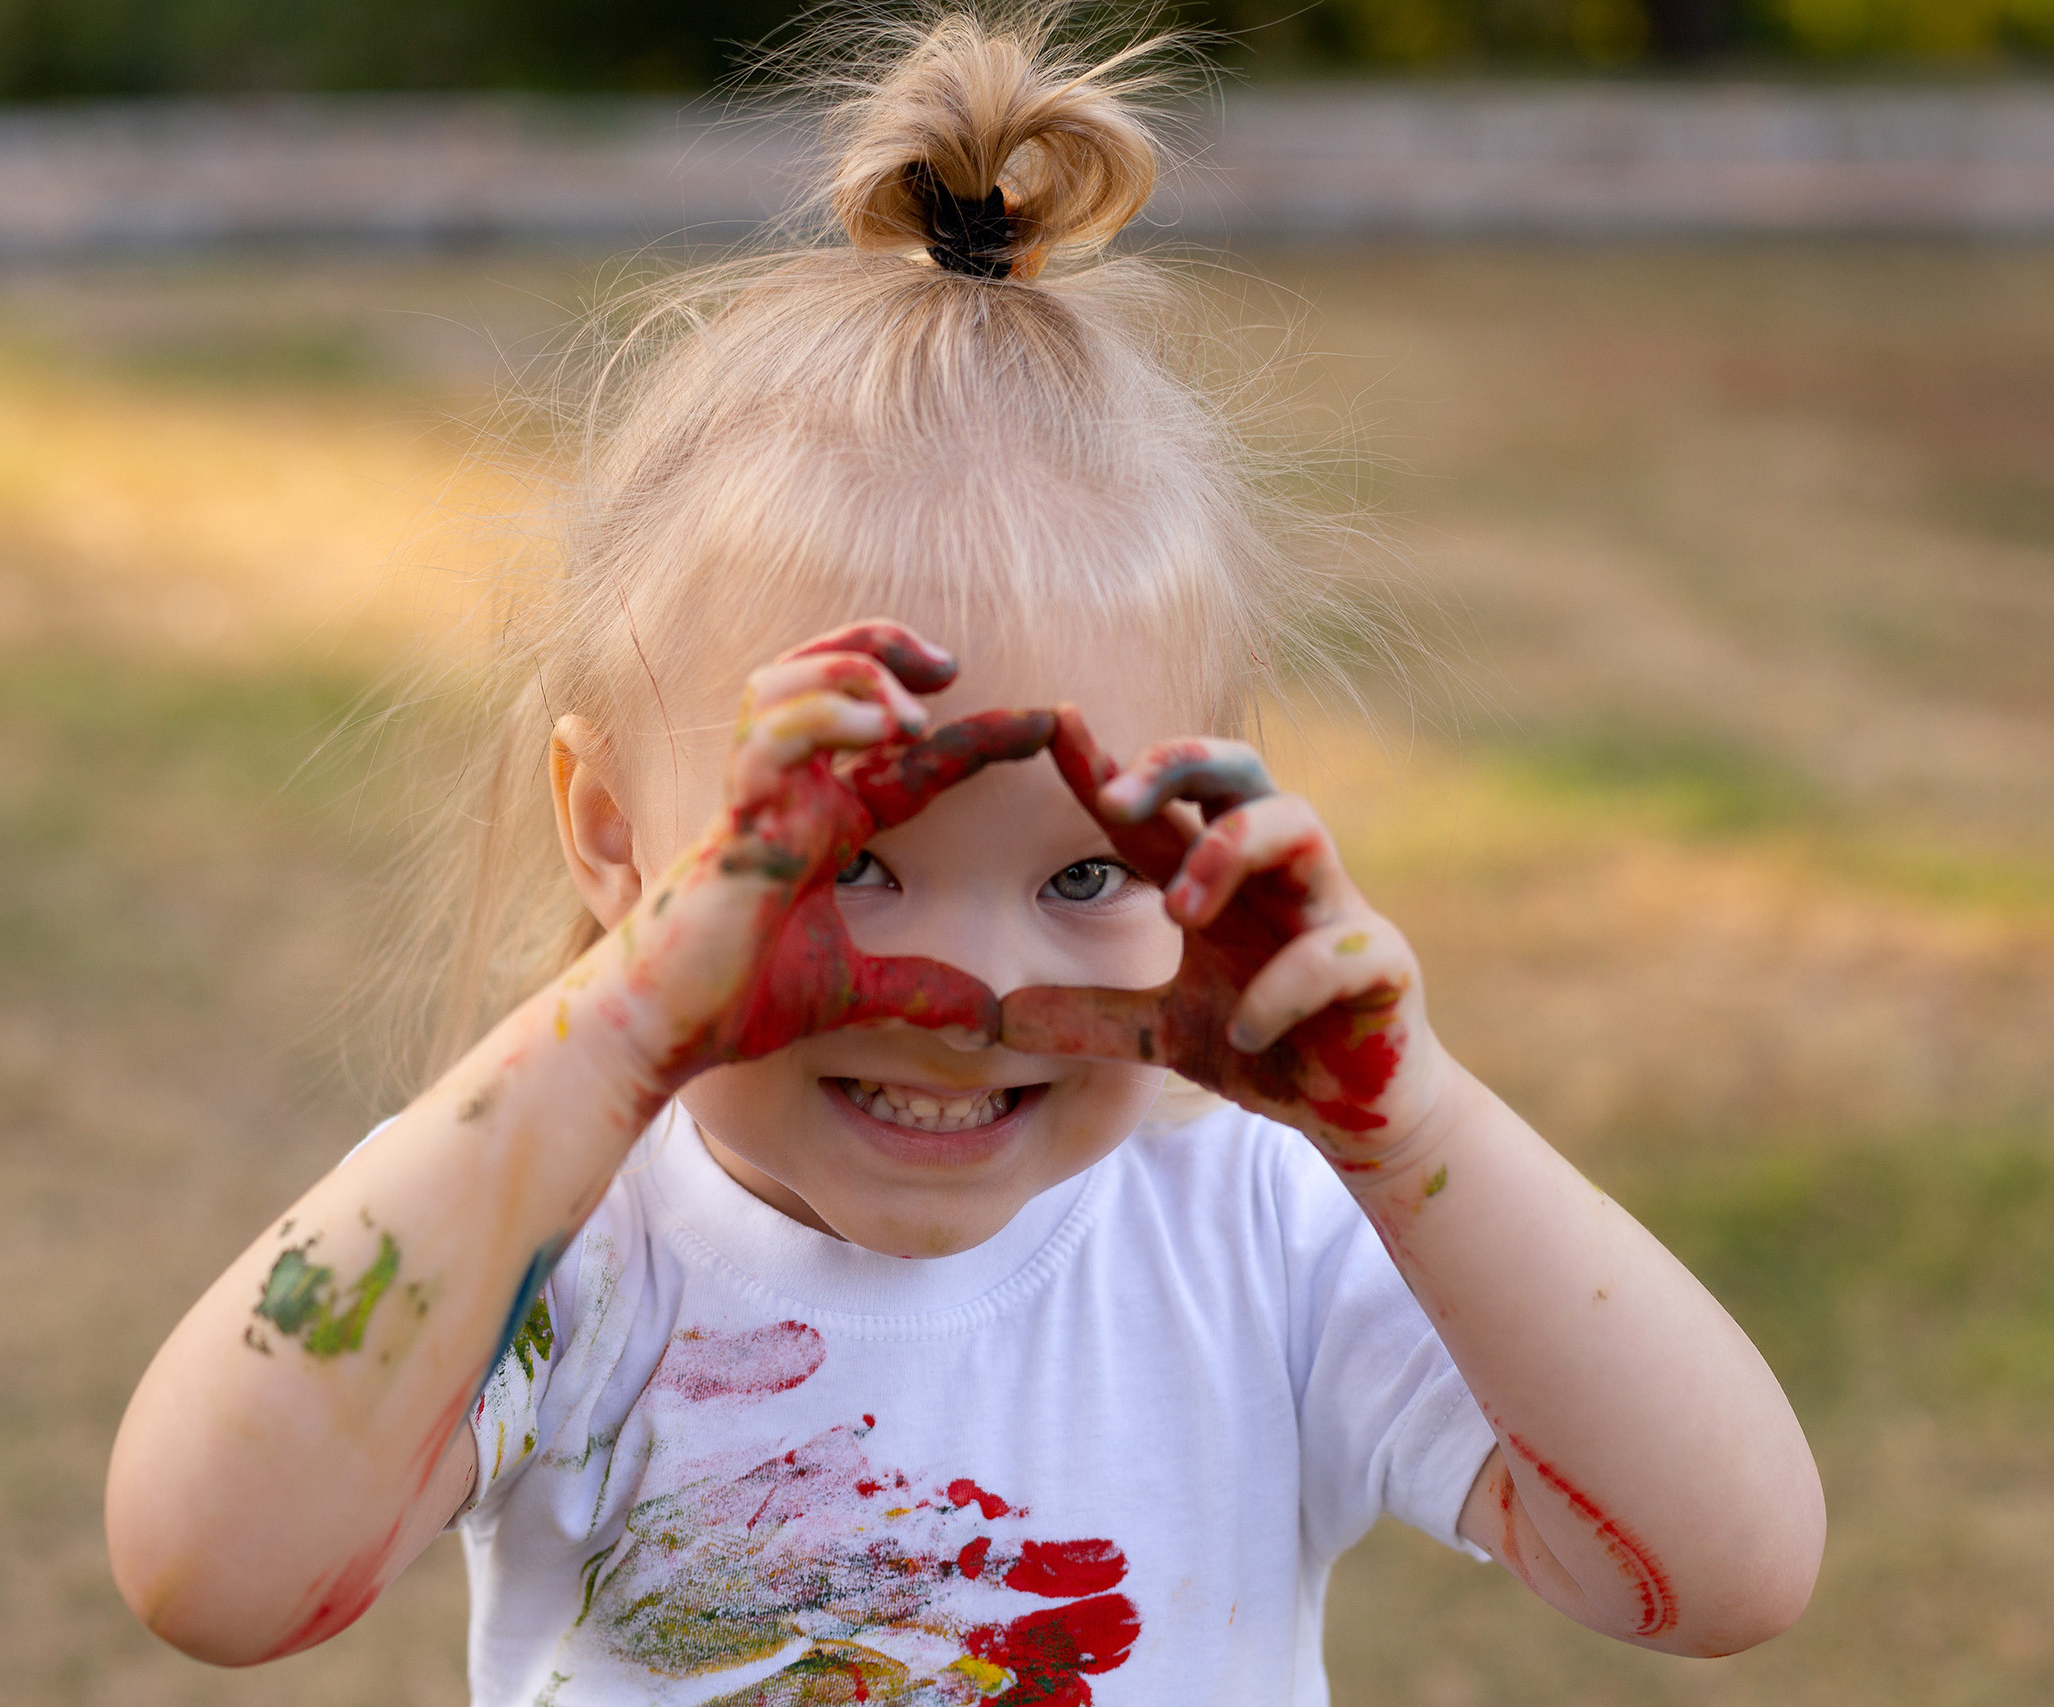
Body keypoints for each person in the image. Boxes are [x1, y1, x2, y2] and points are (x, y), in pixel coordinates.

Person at [104, 11, 1825, 1702]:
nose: (973, 993)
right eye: (849, 858)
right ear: (618, 839)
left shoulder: (1255, 1232)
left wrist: (1416, 1123)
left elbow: (1725, 1575)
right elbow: (212, 1576)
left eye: (1085, 877)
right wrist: (609, 1033)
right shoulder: (554, 1239)